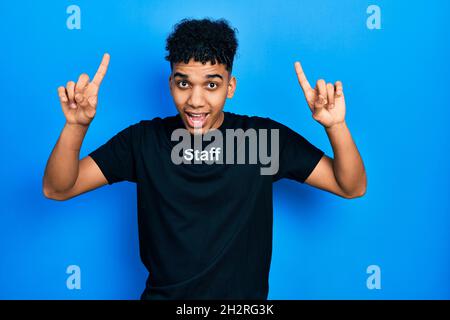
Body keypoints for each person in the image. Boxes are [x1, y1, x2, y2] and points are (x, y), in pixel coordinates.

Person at [43, 18, 367, 300]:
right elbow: (58, 188)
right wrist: (76, 126)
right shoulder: (142, 142)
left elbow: (350, 185)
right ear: (171, 84)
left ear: (230, 87)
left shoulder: (263, 140)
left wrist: (336, 125)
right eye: (184, 83)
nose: (195, 101)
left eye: (211, 84)